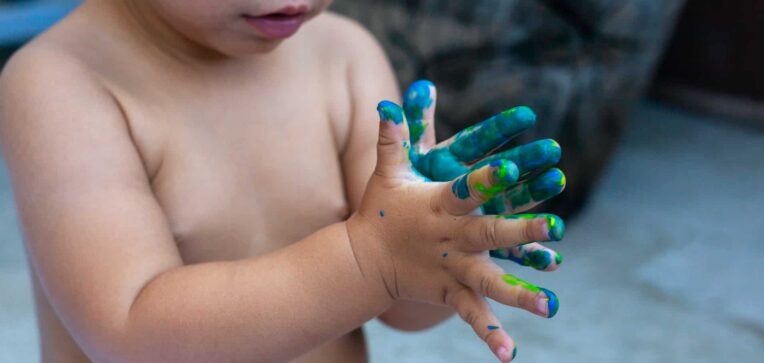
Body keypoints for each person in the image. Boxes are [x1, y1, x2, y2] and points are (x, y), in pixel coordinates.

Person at [0, 1, 566, 362]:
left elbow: (402, 308)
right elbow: (130, 336)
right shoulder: (60, 85)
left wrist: (441, 244)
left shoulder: (343, 57)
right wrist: (369, 257)